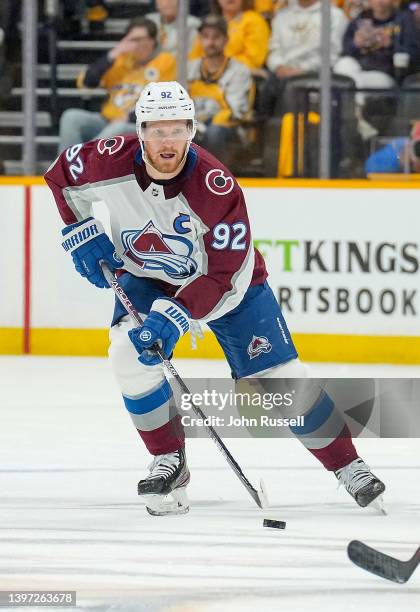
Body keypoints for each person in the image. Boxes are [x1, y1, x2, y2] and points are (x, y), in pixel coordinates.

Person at [44, 80, 385, 516]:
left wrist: (177, 315)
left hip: (230, 287)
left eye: (178, 130)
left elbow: (224, 272)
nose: (168, 142)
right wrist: (79, 230)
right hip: (148, 277)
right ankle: (169, 459)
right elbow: (60, 177)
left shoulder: (217, 188)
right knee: (126, 354)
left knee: (279, 379)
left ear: (192, 130)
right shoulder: (106, 159)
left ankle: (348, 466)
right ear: (141, 130)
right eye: (158, 130)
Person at [57, 17, 176, 153]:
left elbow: (163, 103)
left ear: (153, 41)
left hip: (141, 127)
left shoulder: (165, 61)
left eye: (141, 40)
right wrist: (113, 53)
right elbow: (88, 82)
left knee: (118, 128)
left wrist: (129, 117)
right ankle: (66, 170)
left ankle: (85, 165)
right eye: (132, 40)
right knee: (71, 117)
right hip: (107, 121)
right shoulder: (120, 61)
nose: (136, 45)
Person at [259, 0, 348, 117]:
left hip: (316, 73)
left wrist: (303, 69)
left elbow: (332, 53)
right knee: (267, 90)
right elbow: (274, 50)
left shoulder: (335, 15)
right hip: (282, 74)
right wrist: (279, 66)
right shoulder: (282, 16)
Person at [188, 15, 254, 165]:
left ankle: (215, 178)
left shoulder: (239, 70)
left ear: (225, 39)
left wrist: (203, 125)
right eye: (205, 37)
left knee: (214, 132)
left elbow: (237, 112)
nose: (210, 42)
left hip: (230, 129)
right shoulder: (189, 68)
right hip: (194, 125)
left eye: (216, 37)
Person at [334, 0, 420, 89]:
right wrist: (355, 43)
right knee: (343, 64)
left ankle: (353, 100)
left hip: (385, 72)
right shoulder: (361, 18)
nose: (379, 2)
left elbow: (415, 54)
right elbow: (344, 51)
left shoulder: (404, 20)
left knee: (358, 83)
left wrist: (391, 44)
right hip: (358, 66)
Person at [189, 0, 270, 73]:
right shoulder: (209, 23)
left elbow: (254, 60)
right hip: (203, 77)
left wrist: (217, 65)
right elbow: (194, 57)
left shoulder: (254, 20)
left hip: (240, 76)